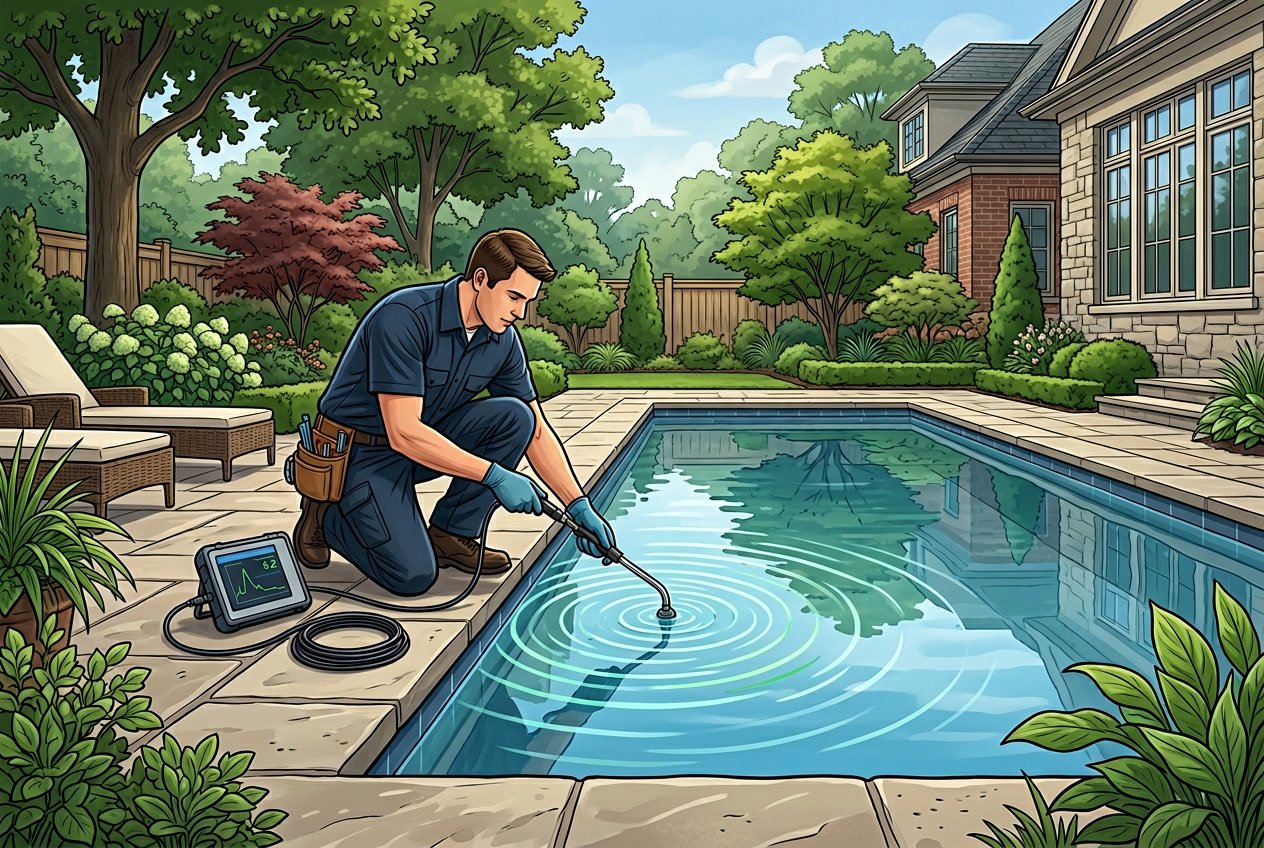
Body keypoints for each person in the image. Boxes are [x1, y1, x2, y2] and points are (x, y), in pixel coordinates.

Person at [292, 228, 617, 595]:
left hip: (425, 443)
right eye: (513, 296)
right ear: (480, 279)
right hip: (360, 453)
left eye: (527, 301)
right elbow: (402, 431)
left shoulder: (501, 338)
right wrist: (494, 476)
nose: (520, 312)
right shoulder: (405, 316)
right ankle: (328, 512)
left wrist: (578, 505)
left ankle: (452, 533)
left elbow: (536, 430)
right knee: (413, 577)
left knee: (516, 418)